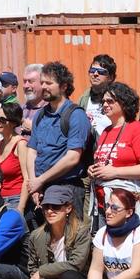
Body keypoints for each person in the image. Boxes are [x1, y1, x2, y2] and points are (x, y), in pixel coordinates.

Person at [26, 61, 92, 214]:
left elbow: (72, 158)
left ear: (63, 86)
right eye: (42, 83)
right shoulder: (40, 115)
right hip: (40, 189)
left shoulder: (76, 115)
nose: (43, 87)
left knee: (68, 236)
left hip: (65, 189)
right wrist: (34, 183)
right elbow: (32, 151)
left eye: (49, 83)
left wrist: (40, 180)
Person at [87, 82, 140, 217]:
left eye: (110, 101)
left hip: (126, 206)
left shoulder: (137, 129)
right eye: (103, 101)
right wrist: (93, 170)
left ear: (123, 103)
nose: (105, 105)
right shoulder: (106, 132)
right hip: (102, 203)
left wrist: (114, 172)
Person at [0, 101, 32, 211]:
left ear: (13, 123)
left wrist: (21, 207)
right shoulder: (0, 144)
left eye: (2, 120)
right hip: (1, 199)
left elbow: (27, 178)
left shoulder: (21, 144)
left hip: (16, 199)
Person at [77, 55, 115, 134]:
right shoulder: (83, 99)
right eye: (92, 70)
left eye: (101, 72)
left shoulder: (117, 99)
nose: (95, 74)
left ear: (110, 77)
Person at [22, 63, 47, 131]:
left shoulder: (52, 110)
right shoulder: (20, 109)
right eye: (24, 81)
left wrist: (34, 128)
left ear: (42, 83)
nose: (26, 86)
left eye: (30, 81)